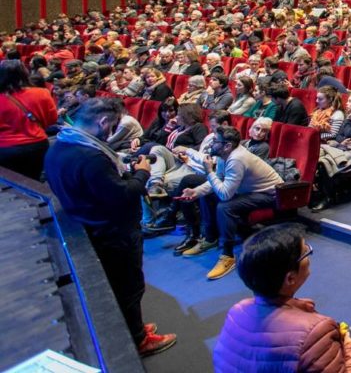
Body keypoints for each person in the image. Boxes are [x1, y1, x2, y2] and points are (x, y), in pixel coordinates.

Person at [43, 97, 177, 356]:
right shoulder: (91, 156)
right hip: (113, 231)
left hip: (89, 223)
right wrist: (142, 172)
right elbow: (125, 194)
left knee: (121, 284)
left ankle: (133, 326)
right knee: (129, 285)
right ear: (103, 121)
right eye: (112, 126)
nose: (112, 132)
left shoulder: (59, 146)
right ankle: (138, 338)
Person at [213, 224, 351, 372]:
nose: (309, 257)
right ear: (290, 278)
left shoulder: (237, 310)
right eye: (306, 252)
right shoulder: (315, 332)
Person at [178, 126, 284, 279]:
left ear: (227, 145)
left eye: (215, 141)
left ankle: (227, 256)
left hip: (270, 195)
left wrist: (209, 171)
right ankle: (210, 239)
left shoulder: (236, 159)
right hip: (249, 191)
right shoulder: (224, 155)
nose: (211, 144)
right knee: (208, 194)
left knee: (225, 206)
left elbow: (226, 195)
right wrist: (196, 192)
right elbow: (219, 181)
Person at [0, 59, 56, 179]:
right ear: (25, 74)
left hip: (5, 148)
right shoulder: (43, 93)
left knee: (10, 185)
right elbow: (52, 119)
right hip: (37, 145)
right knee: (33, 181)